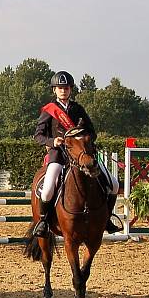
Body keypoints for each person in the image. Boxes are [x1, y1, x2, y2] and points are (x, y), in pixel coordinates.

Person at [32, 70, 120, 238]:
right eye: (60, 88)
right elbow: (38, 136)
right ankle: (43, 221)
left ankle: (107, 219)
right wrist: (52, 142)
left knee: (113, 184)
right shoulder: (49, 110)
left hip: (81, 155)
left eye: (66, 88)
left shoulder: (78, 109)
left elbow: (92, 133)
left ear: (71, 89)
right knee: (48, 189)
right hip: (59, 154)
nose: (63, 91)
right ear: (54, 90)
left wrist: (84, 139)